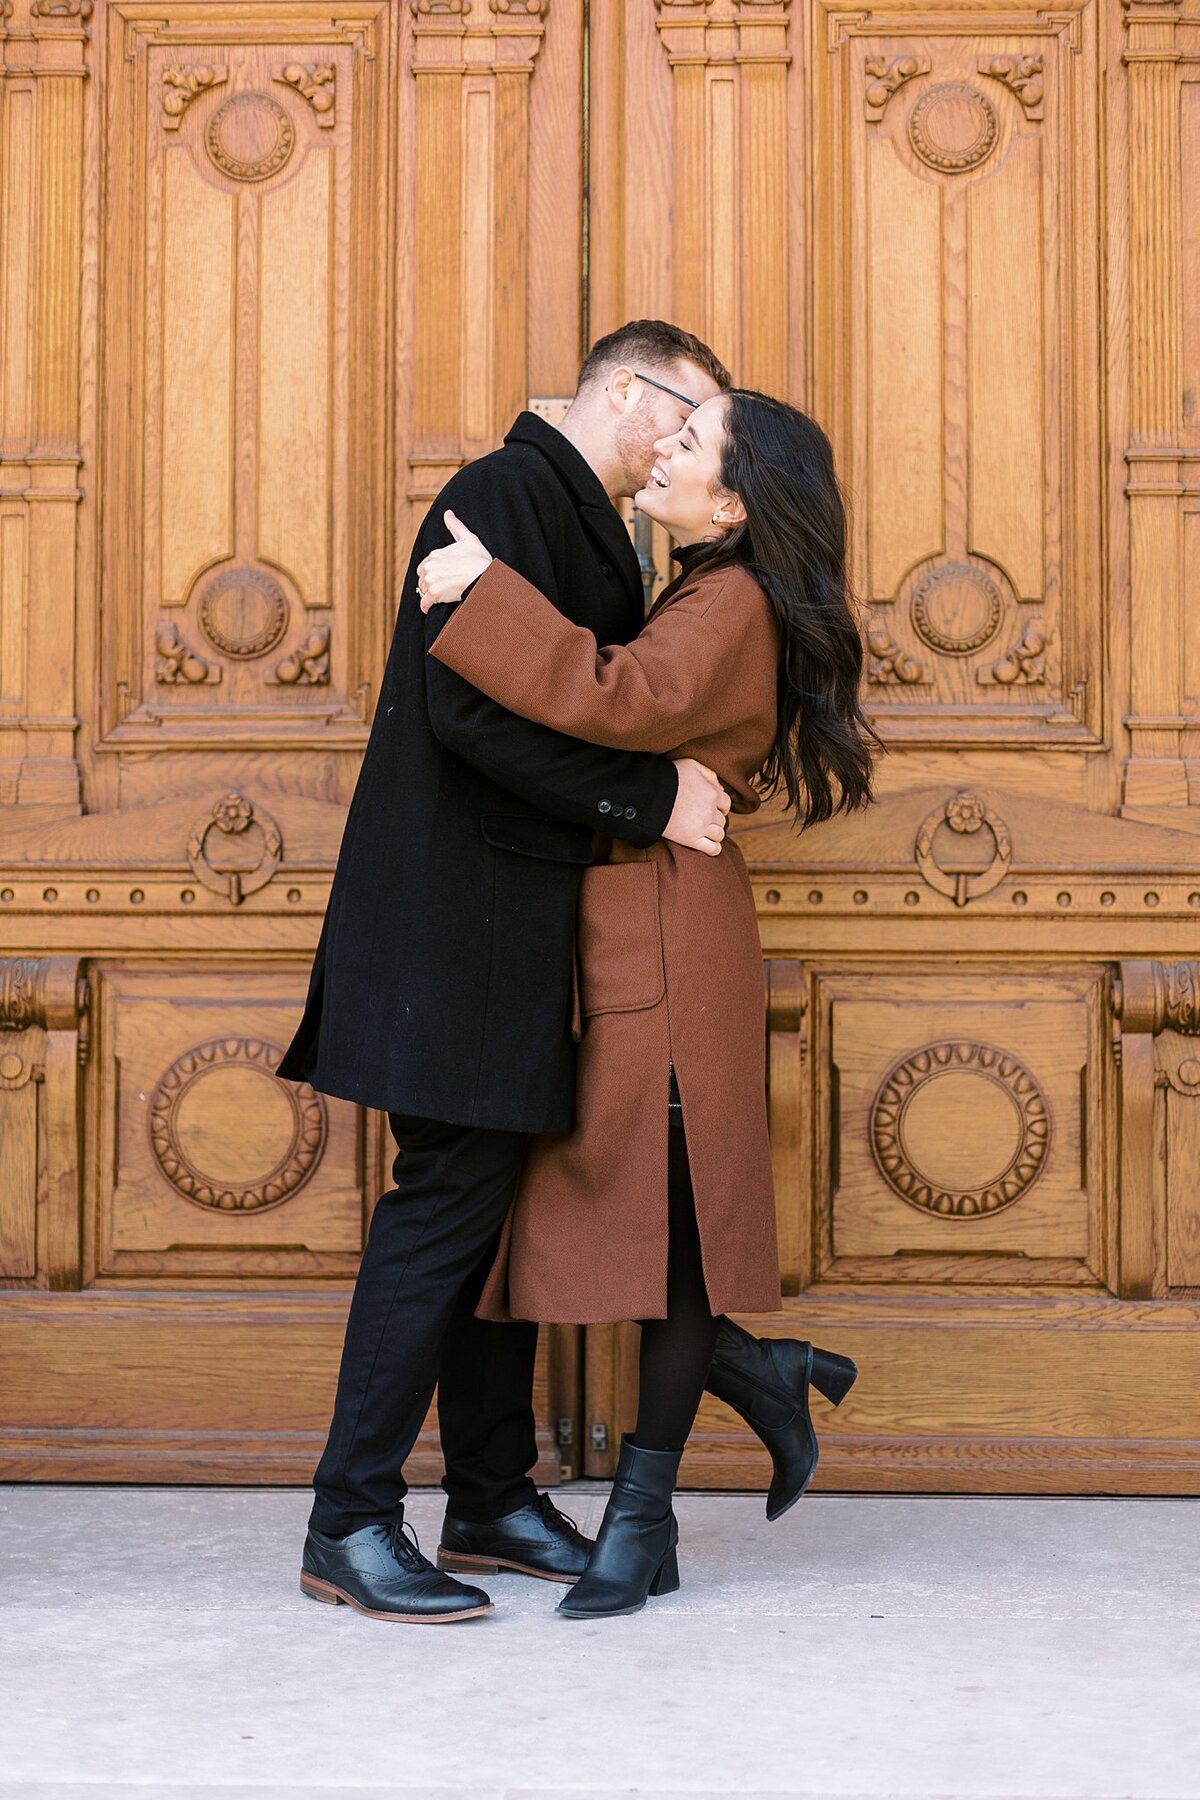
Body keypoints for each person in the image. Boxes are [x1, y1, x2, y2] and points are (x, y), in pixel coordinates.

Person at [282, 323, 820, 1627]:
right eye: (687, 415)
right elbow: (474, 712)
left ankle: (487, 1495)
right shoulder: (503, 494)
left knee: (491, 1223)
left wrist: (640, 796)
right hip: (454, 931)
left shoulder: (599, 531)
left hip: (522, 941)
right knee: (444, 1216)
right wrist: (646, 799)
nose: (683, 443)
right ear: (635, 394)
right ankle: (350, 1519)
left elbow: (600, 692)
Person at [416, 385, 879, 1618]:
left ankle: (643, 1515)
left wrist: (483, 595)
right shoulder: (707, 585)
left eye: (692, 441)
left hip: (668, 935)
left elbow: (622, 699)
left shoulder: (726, 597)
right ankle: (752, 1380)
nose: (663, 449)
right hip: (649, 924)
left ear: (733, 500)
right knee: (644, 1218)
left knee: (672, 1231)